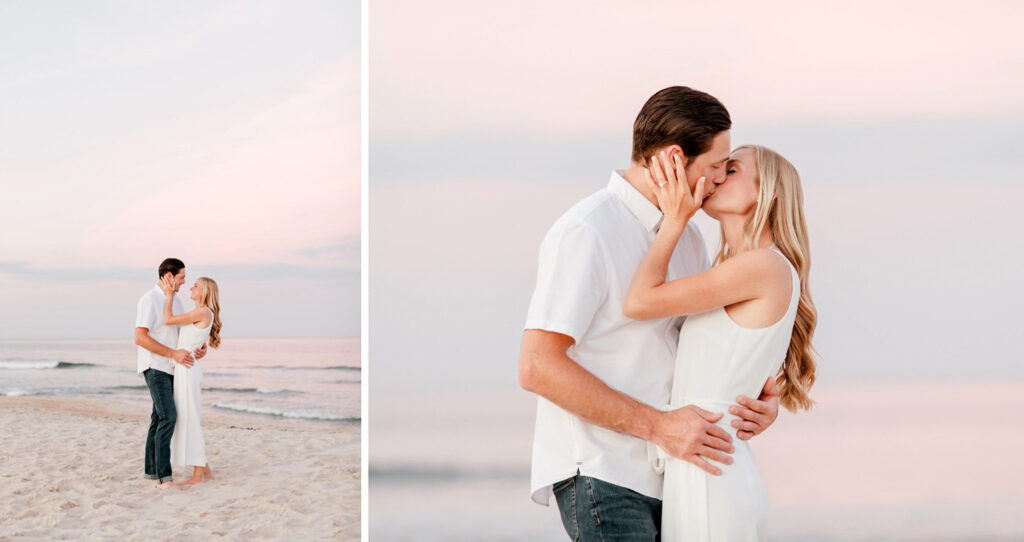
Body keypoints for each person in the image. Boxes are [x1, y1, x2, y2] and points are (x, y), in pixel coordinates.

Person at [518, 86, 781, 540]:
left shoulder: (690, 241)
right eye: (717, 166)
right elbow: (537, 366)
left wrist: (755, 398)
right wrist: (659, 426)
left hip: (674, 474)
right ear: (676, 158)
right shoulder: (588, 230)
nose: (719, 179)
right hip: (603, 472)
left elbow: (693, 348)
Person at [625, 145, 817, 540]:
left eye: (731, 170)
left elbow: (641, 301)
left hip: (711, 470)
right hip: (705, 462)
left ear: (771, 190)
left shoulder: (763, 265)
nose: (715, 177)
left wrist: (675, 220)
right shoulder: (740, 270)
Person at [134, 258, 207, 490]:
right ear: (168, 276)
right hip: (155, 366)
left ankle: (152, 472)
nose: (184, 283)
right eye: (181, 278)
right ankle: (165, 478)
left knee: (158, 418)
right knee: (169, 417)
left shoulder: (176, 301)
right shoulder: (149, 299)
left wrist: (197, 347)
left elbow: (180, 333)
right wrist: (172, 353)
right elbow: (140, 337)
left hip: (172, 367)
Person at [159, 275, 222, 486]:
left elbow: (168, 320)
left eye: (196, 286)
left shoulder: (202, 311)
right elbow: (191, 338)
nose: (191, 287)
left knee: (190, 419)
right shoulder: (203, 313)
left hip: (187, 370)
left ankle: (198, 475)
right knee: (189, 417)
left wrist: (168, 295)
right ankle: (206, 471)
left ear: (204, 292)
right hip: (187, 367)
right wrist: (200, 348)